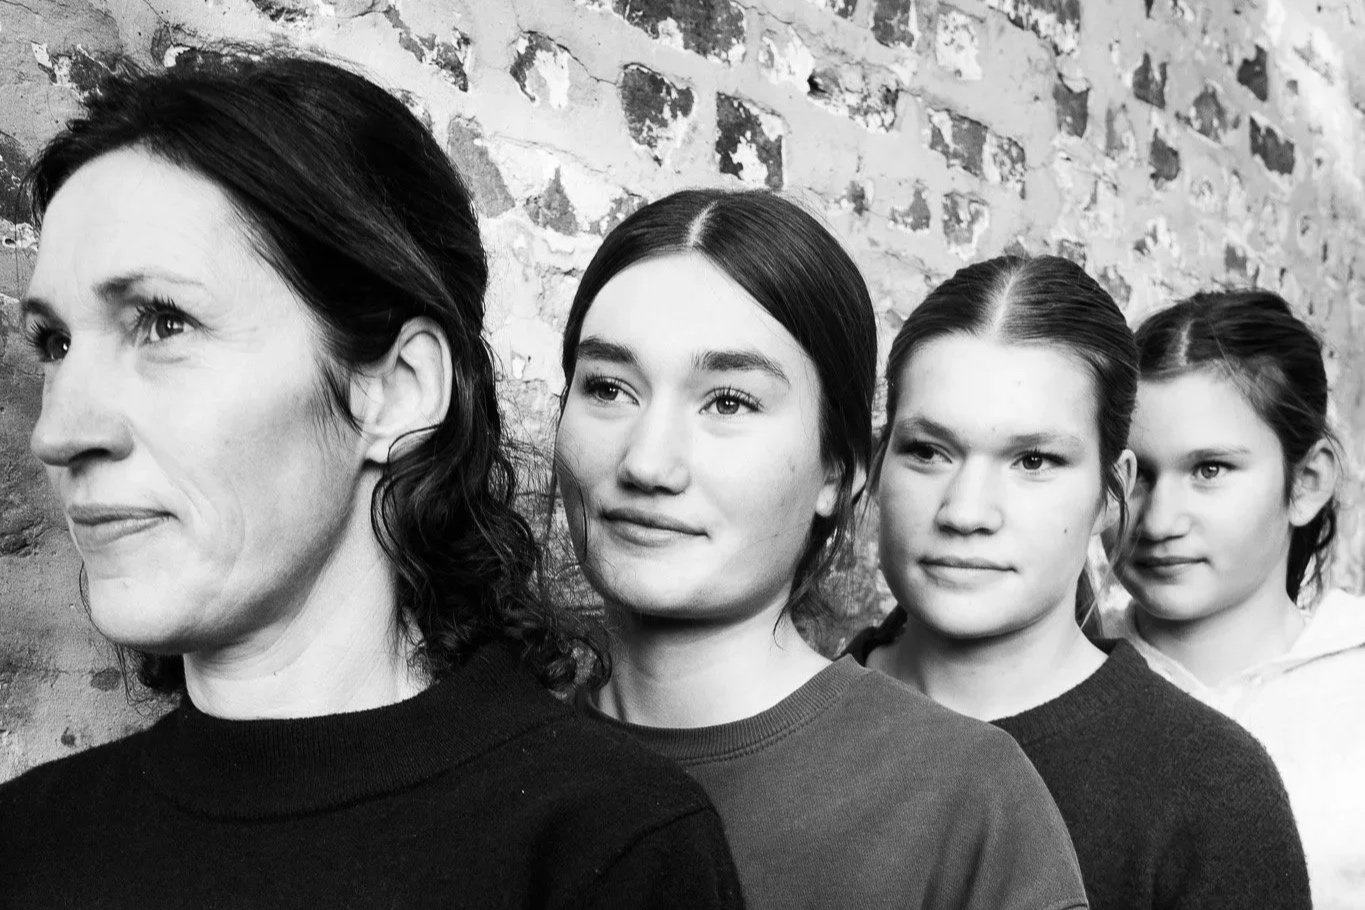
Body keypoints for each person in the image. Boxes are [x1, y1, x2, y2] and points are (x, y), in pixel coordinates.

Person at [0, 54, 744, 909]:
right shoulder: (23, 841)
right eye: (55, 343)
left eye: (165, 323)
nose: (60, 432)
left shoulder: (603, 849)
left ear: (397, 391)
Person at [554, 190, 1089, 910]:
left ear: (836, 472)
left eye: (729, 402)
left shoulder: (965, 800)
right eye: (609, 388)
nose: (647, 463)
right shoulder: (491, 763)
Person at [846, 255, 1311, 909]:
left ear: (1109, 494)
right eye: (927, 451)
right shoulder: (777, 726)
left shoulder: (1210, 788)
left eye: (1033, 460)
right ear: (877, 465)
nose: (965, 511)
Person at [1111, 289, 1364, 910]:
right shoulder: (1065, 676)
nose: (1161, 520)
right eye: (1136, 474)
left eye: (1210, 470)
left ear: (1306, 483)